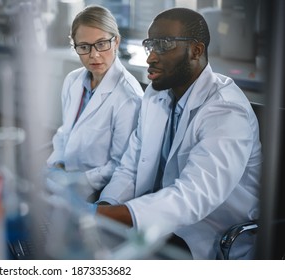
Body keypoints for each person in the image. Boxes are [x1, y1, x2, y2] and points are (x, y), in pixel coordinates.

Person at [95, 7, 262, 260]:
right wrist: (103, 209)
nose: (150, 57)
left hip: (207, 238)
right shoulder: (157, 94)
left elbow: (192, 197)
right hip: (157, 227)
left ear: (196, 50)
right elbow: (131, 166)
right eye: (150, 44)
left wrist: (103, 217)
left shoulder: (226, 110)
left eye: (163, 45)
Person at [45, 5, 144, 201]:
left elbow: (119, 165)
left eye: (101, 44)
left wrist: (76, 181)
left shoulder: (129, 98)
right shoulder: (72, 81)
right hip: (63, 174)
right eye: (84, 47)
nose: (94, 55)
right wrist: (57, 164)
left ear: (116, 41)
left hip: (94, 188)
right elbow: (66, 132)